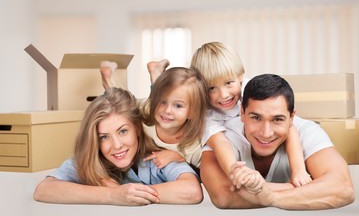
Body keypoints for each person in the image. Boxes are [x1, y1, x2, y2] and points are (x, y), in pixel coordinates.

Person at [200, 73, 355, 209]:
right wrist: (300, 190)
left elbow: (342, 188)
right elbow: (223, 196)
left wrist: (271, 198)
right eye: (256, 118)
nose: (266, 133)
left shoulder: (306, 131)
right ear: (242, 113)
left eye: (277, 119)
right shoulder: (223, 137)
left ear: (291, 117)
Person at [33, 87, 203, 206]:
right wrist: (112, 195)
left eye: (122, 131)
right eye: (104, 137)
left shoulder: (158, 157)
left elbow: (191, 191)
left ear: (137, 127)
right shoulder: (91, 160)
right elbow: (44, 190)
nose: (116, 145)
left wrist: (130, 194)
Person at [191, 42, 310, 186]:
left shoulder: (251, 89)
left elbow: (289, 127)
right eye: (211, 88)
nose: (223, 95)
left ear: (240, 77)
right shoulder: (205, 113)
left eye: (228, 83)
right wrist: (235, 171)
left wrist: (299, 171)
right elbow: (219, 143)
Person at [140, 67, 209, 170]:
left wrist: (179, 157)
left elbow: (203, 173)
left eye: (178, 106)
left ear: (192, 113)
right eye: (162, 102)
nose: (167, 110)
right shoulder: (146, 110)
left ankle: (156, 73)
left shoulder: (193, 149)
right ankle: (155, 74)